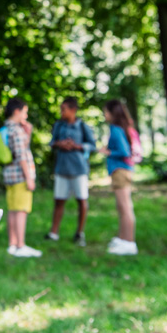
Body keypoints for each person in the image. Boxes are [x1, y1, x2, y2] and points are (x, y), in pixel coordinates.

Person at [44, 96, 95, 247]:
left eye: (64, 109)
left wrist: (76, 146)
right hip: (62, 168)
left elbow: (92, 145)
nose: (61, 112)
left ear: (73, 110)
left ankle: (80, 233)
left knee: (81, 200)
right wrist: (60, 144)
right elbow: (51, 142)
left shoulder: (83, 126)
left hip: (79, 169)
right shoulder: (59, 125)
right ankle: (54, 232)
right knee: (59, 200)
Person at [2, 97, 41, 258]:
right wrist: (29, 178)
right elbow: (22, 156)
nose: (26, 116)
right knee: (21, 211)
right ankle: (20, 245)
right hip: (20, 177)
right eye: (25, 112)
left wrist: (28, 133)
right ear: (17, 111)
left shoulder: (7, 128)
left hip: (9, 176)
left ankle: (12, 244)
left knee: (12, 209)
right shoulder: (17, 130)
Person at [99, 99, 138, 256]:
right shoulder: (120, 128)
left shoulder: (115, 129)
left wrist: (108, 152)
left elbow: (124, 151)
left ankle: (129, 242)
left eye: (106, 112)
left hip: (120, 170)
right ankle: (123, 239)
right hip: (121, 171)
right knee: (121, 207)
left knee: (125, 207)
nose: (104, 115)